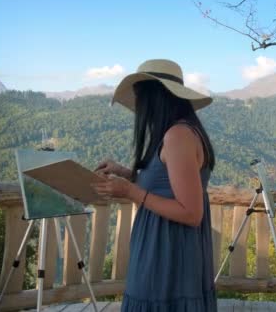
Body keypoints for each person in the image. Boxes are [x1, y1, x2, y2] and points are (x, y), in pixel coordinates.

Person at [91, 59, 217, 311]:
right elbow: (167, 185)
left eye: (140, 97)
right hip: (167, 245)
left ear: (155, 98)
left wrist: (130, 191)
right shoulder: (178, 131)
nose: (137, 105)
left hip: (168, 250)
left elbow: (191, 213)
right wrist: (126, 173)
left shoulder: (177, 136)